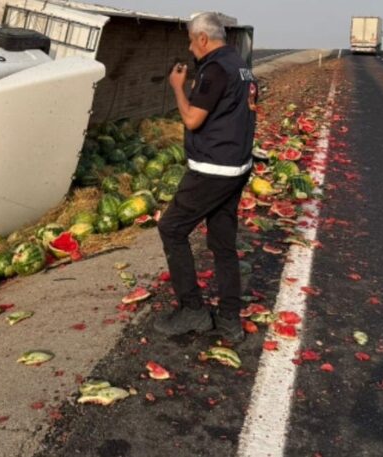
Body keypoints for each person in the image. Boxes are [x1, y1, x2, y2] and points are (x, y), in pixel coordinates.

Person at [153, 12, 258, 342]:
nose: (190, 47)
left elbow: (192, 119)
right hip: (237, 167)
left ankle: (192, 311)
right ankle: (229, 319)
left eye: (191, 40)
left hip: (212, 170)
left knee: (172, 228)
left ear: (202, 38)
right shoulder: (241, 66)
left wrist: (178, 88)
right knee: (222, 243)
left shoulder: (214, 69)